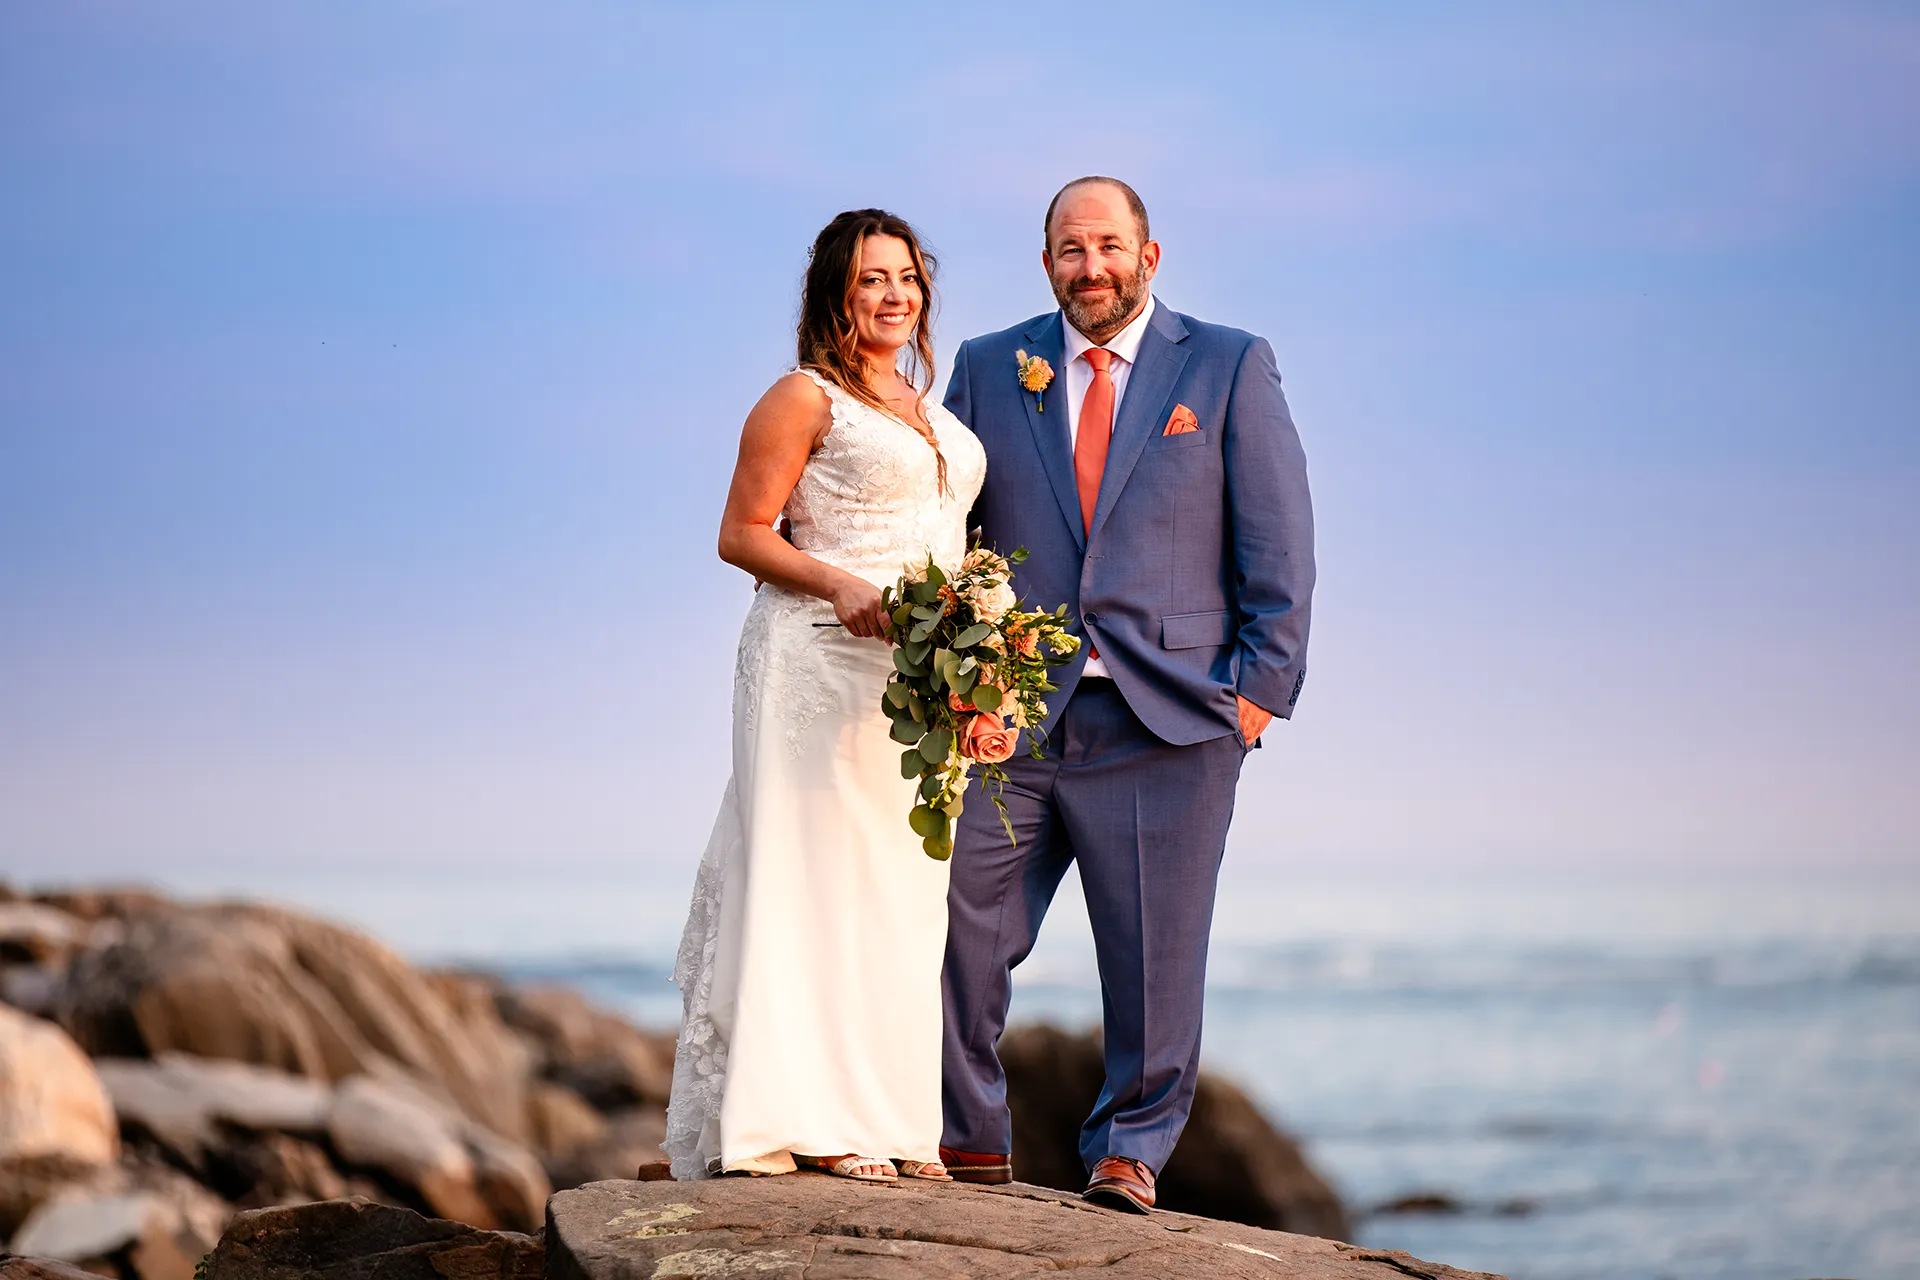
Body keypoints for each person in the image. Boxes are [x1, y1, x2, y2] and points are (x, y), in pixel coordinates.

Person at [937, 176, 1315, 1212]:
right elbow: (949, 531)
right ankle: (965, 1138)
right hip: (1013, 718)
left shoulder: (1229, 363)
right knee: (957, 928)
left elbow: (1278, 538)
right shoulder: (985, 366)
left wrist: (1257, 692)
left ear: (1150, 257)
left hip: (1173, 717)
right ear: (1046, 261)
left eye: (1107, 246)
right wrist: (964, 678)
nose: (1089, 266)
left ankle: (1128, 1152)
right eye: (1069, 248)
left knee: (1155, 957)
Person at [665, 209, 984, 1184]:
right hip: (812, 658)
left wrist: (981, 660)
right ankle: (810, 1117)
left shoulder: (931, 408)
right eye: (869, 280)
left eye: (905, 278)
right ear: (834, 297)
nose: (892, 296)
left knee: (902, 895)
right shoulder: (801, 397)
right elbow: (741, 531)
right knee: (817, 883)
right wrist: (839, 582)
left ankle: (894, 1120)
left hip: (914, 681)